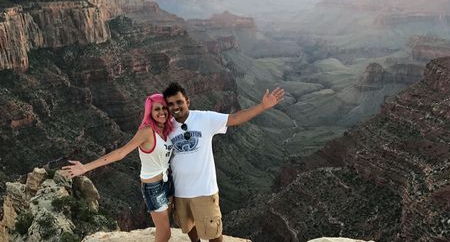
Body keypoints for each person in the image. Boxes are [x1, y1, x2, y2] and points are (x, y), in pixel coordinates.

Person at [163, 82, 285, 242]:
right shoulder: (166, 127)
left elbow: (234, 118)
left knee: (213, 232)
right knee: (188, 225)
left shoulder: (204, 118)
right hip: (180, 192)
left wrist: (262, 106)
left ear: (187, 101)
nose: (175, 107)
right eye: (171, 104)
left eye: (179, 102)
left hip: (204, 191)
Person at [61, 93, 175, 242]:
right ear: (150, 112)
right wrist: (85, 168)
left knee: (168, 226)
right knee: (164, 233)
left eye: (164, 108)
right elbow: (120, 153)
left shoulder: (168, 128)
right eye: (157, 109)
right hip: (154, 188)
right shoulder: (147, 132)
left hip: (168, 182)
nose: (162, 112)